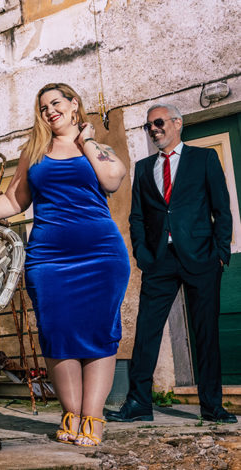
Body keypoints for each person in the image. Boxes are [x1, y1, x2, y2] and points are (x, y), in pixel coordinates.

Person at [0, 83, 129, 447]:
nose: (49, 111)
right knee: (56, 333)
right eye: (43, 107)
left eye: (56, 103)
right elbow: (13, 200)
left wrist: (87, 139)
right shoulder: (35, 150)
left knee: (100, 333)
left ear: (74, 105)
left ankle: (93, 416)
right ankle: (71, 414)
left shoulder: (94, 147)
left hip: (101, 255)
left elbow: (112, 179)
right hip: (49, 258)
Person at [106, 104, 235, 424]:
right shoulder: (143, 167)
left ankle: (212, 406)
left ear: (177, 123)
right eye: (148, 126)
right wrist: (143, 255)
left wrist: (221, 252)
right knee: (147, 331)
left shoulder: (204, 159)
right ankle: (138, 402)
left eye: (159, 122)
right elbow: (137, 217)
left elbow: (222, 208)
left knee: (206, 334)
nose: (154, 129)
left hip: (201, 258)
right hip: (159, 261)